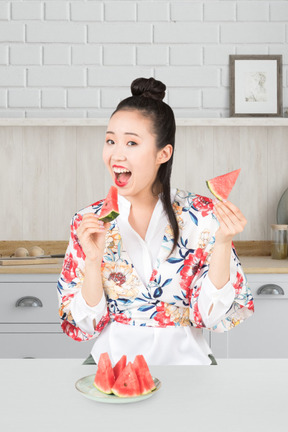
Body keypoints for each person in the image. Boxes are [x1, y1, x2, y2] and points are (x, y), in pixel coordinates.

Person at [57, 77, 254, 366]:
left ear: (164, 153)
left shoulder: (202, 215)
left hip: (188, 370)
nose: (116, 153)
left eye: (132, 142)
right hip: (111, 370)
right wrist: (92, 260)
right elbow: (85, 326)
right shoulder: (89, 221)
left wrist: (223, 242)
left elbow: (213, 318)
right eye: (110, 140)